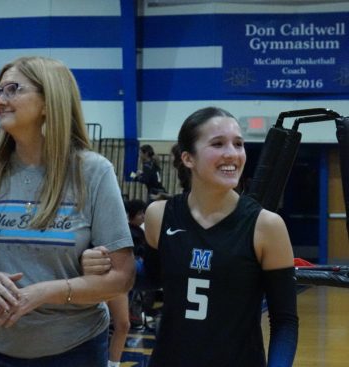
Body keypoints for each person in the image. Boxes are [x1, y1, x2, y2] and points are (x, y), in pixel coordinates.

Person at [0, 56, 135, 366]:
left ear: (49, 101)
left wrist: (45, 292)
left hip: (73, 349)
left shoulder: (93, 172)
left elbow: (122, 278)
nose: (1, 101)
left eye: (13, 89)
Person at [83, 107, 298, 366]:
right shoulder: (159, 215)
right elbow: (151, 276)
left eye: (238, 144)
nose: (232, 153)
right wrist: (104, 265)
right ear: (188, 158)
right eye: (218, 144)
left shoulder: (266, 226)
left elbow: (284, 321)